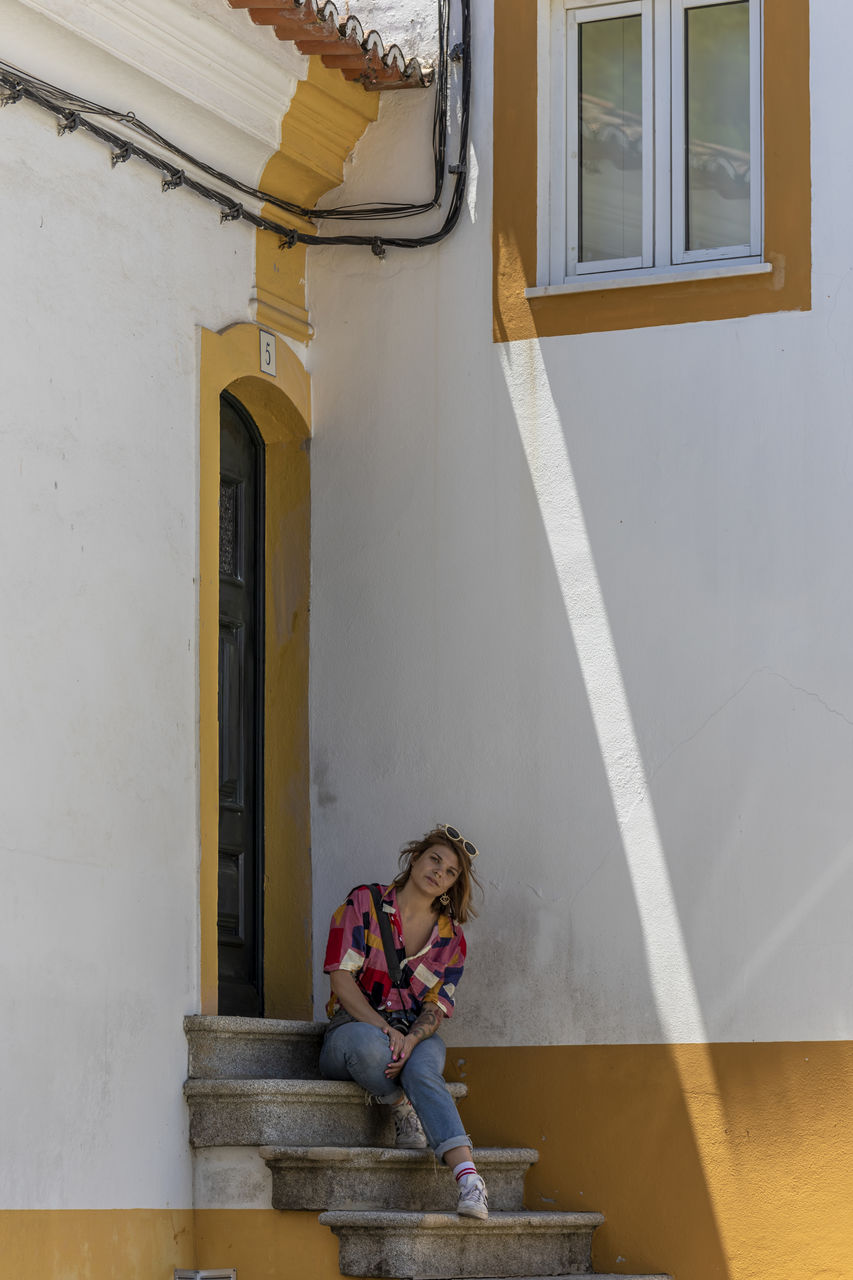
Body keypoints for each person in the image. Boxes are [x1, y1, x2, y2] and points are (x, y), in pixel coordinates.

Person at [319, 823, 488, 1220]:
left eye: (450, 872)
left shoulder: (451, 939)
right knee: (368, 1048)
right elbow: (341, 978)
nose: (439, 873)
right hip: (354, 1027)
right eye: (435, 860)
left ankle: (469, 1180)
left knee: (425, 1066)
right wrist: (387, 1030)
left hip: (414, 1034)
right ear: (415, 859)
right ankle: (399, 1102)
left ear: (452, 885)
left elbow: (437, 1006)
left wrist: (411, 1039)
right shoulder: (364, 902)